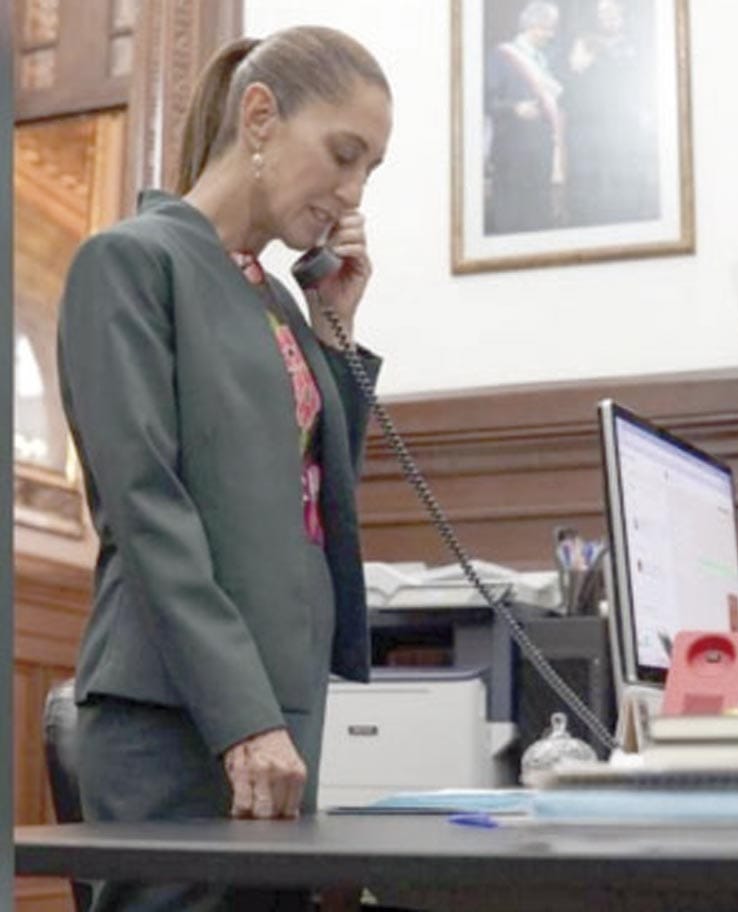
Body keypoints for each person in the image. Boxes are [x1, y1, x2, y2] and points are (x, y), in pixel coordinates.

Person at [57, 25, 392, 912]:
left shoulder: (279, 298)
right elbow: (146, 508)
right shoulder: (131, 261)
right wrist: (245, 722)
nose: (353, 192)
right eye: (344, 154)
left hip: (280, 708)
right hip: (179, 716)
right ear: (260, 117)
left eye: (372, 171)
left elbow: (317, 500)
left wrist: (336, 329)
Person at [562, 0, 659, 226]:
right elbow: (572, 79)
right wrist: (580, 64)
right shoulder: (584, 42)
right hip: (592, 123)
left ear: (622, 15)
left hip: (626, 122)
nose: (608, 16)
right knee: (592, 175)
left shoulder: (636, 45)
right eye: (603, 12)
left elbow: (642, 83)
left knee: (626, 172)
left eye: (613, 12)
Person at [484, 1, 565, 234]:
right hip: (512, 152)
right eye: (548, 28)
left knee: (537, 219)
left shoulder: (544, 61)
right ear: (532, 26)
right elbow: (486, 102)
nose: (551, 35)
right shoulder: (501, 56)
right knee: (512, 219)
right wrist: (515, 108)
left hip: (540, 152)